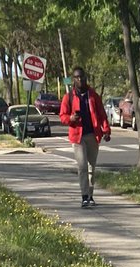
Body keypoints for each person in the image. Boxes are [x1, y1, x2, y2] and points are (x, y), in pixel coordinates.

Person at [59, 67, 110, 208]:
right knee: (82, 166)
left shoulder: (93, 95)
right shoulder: (68, 97)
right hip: (77, 136)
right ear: (73, 80)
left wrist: (106, 130)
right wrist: (71, 118)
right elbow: (62, 116)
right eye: (77, 77)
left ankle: (91, 196)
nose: (80, 79)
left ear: (86, 77)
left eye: (82, 77)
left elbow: (101, 114)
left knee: (91, 167)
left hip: (92, 135)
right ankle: (84, 196)